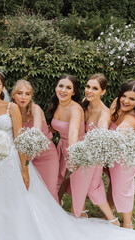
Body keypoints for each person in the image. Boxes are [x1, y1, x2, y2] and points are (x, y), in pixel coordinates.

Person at [0, 70, 135, 240]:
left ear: (3, 87)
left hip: (20, 158)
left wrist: (25, 168)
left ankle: (112, 219)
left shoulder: (13, 109)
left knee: (77, 187)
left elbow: (24, 137)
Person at [107, 80, 135, 229]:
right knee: (112, 184)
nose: (125, 101)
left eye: (132, 99)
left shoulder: (132, 118)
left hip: (125, 159)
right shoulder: (116, 104)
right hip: (113, 154)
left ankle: (127, 224)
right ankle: (109, 215)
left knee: (121, 190)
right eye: (124, 96)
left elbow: (121, 130)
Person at [11, 79, 60, 202]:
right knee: (31, 190)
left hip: (46, 156)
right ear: (13, 95)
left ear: (31, 96)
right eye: (19, 93)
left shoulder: (35, 109)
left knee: (50, 190)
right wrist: (25, 163)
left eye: (27, 94)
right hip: (26, 158)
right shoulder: (11, 112)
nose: (23, 97)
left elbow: (36, 132)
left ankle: (54, 219)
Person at [82, 74, 119, 225]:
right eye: (88, 86)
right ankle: (80, 209)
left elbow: (103, 126)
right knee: (80, 182)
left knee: (92, 186)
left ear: (103, 91)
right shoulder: (85, 102)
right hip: (83, 152)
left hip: (96, 153)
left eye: (95, 88)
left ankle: (112, 220)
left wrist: (101, 132)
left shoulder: (104, 113)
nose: (89, 91)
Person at [48, 74, 87, 217]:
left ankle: (79, 211)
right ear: (56, 87)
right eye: (61, 86)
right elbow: (58, 125)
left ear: (74, 92)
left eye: (68, 87)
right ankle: (55, 203)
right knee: (56, 177)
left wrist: (73, 155)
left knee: (77, 181)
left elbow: (73, 132)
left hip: (76, 145)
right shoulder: (57, 104)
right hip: (62, 145)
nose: (63, 90)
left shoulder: (75, 109)